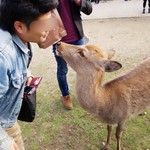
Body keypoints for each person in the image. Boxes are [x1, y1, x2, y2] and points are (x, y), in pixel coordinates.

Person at [0, 0, 58, 150]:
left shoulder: (18, 37)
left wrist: (24, 75)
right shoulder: (3, 56)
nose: (51, 27)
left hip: (7, 119)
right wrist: (3, 142)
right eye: (45, 24)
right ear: (19, 26)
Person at [52, 0, 92, 110]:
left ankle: (85, 93)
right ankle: (65, 96)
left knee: (83, 68)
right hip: (59, 41)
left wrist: (79, 1)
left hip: (78, 39)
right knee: (62, 70)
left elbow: (89, 9)